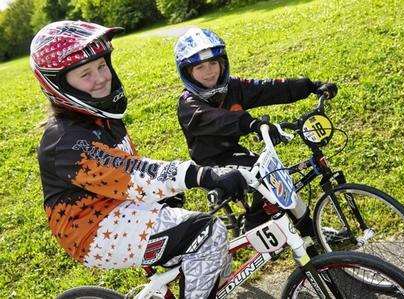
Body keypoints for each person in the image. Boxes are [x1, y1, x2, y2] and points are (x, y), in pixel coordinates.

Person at [31, 20, 248, 299]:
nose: (101, 78)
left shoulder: (101, 114)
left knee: (203, 247)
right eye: (85, 73)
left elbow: (128, 166)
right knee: (207, 232)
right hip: (93, 230)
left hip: (120, 205)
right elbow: (130, 171)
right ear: (58, 84)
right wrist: (201, 175)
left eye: (101, 66)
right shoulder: (65, 141)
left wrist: (163, 194)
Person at [174, 28, 337, 234]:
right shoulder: (188, 104)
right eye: (200, 67)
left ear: (222, 63)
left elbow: (268, 88)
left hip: (235, 152)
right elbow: (220, 120)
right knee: (263, 175)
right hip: (211, 164)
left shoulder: (232, 86)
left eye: (213, 63)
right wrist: (252, 124)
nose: (209, 71)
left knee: (276, 173)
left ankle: (308, 230)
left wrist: (311, 86)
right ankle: (255, 225)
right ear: (187, 73)